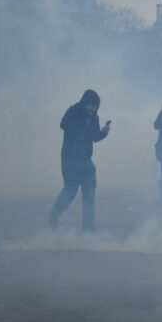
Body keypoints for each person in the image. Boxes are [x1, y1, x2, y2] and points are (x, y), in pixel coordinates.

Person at [49, 89, 110, 231]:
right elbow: (63, 124)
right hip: (70, 159)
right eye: (90, 105)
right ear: (84, 103)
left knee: (89, 191)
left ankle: (88, 226)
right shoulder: (74, 110)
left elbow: (94, 137)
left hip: (86, 160)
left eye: (95, 106)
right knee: (70, 190)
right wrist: (80, 128)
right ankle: (54, 215)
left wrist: (103, 133)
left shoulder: (94, 117)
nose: (92, 108)